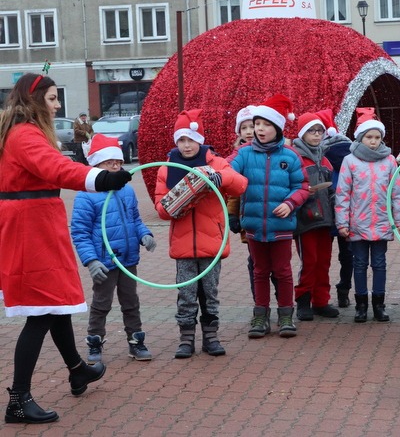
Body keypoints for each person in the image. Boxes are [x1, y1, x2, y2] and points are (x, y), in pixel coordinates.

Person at [0, 73, 131, 424]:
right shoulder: (24, 134)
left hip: (38, 225)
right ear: (36, 99)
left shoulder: (23, 132)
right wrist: (99, 178)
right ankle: (18, 399)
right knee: (41, 312)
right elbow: (55, 168)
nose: (58, 105)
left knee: (55, 306)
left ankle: (76, 370)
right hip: (31, 231)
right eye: (53, 98)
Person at [154, 109, 248, 358]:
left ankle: (211, 337)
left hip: (212, 241)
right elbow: (161, 210)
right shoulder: (166, 168)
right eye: (182, 140)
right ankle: (186, 339)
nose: (187, 145)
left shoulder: (216, 162)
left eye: (191, 140)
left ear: (200, 140)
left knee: (209, 291)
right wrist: (177, 201)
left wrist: (221, 178)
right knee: (186, 293)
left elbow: (240, 185)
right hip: (183, 244)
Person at [228, 94, 309, 339]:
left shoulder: (290, 155)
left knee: (283, 271)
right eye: (256, 125)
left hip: (282, 225)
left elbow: (302, 186)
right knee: (260, 271)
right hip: (253, 224)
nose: (259, 130)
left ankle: (286, 315)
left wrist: (290, 203)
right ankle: (260, 316)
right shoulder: (243, 153)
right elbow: (226, 169)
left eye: (265, 125)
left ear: (277, 127)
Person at [71, 134, 156, 364]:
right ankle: (95, 341)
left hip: (128, 260)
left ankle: (136, 342)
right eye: (110, 163)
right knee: (101, 304)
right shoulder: (87, 195)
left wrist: (145, 234)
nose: (116, 167)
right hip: (104, 262)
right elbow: (80, 233)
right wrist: (91, 261)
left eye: (118, 163)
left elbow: (135, 220)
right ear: (97, 166)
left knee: (131, 302)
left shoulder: (126, 190)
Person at [334, 108, 400, 323]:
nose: (374, 142)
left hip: (381, 222)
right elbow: (342, 194)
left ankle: (379, 304)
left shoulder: (389, 160)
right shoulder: (350, 161)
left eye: (377, 137)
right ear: (360, 137)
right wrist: (342, 223)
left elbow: (397, 192)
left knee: (379, 263)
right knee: (358, 264)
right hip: (357, 222)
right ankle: (360, 305)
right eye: (369, 137)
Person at [227, 105, 280, 300]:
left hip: (275, 217)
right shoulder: (237, 157)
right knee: (257, 263)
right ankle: (260, 302)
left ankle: (282, 301)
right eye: (244, 128)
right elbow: (233, 192)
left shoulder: (276, 152)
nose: (249, 132)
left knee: (278, 265)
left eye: (253, 126)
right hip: (250, 218)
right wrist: (232, 214)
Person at [292, 111, 339, 320]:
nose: (317, 135)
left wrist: (336, 208)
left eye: (320, 130)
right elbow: (291, 186)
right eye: (312, 131)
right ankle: (303, 300)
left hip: (325, 220)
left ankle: (321, 301)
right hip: (305, 219)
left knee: (324, 262)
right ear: (302, 133)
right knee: (309, 261)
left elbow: (332, 191)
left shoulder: (325, 159)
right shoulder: (295, 158)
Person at [321, 110, 355, 308]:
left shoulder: (319, 154)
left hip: (323, 212)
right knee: (348, 256)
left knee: (321, 258)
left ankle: (321, 296)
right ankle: (344, 292)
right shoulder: (351, 153)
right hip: (348, 212)